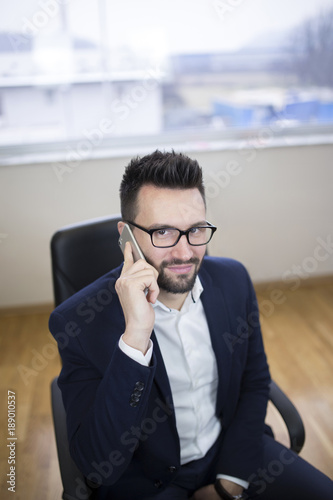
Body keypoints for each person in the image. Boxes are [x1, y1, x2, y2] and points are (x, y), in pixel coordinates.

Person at [49, 150, 333, 500]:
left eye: (196, 229)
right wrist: (135, 338)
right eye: (163, 232)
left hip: (231, 453)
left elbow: (254, 380)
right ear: (126, 237)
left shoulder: (234, 281)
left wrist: (230, 482)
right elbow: (97, 463)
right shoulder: (79, 321)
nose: (185, 253)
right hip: (147, 482)